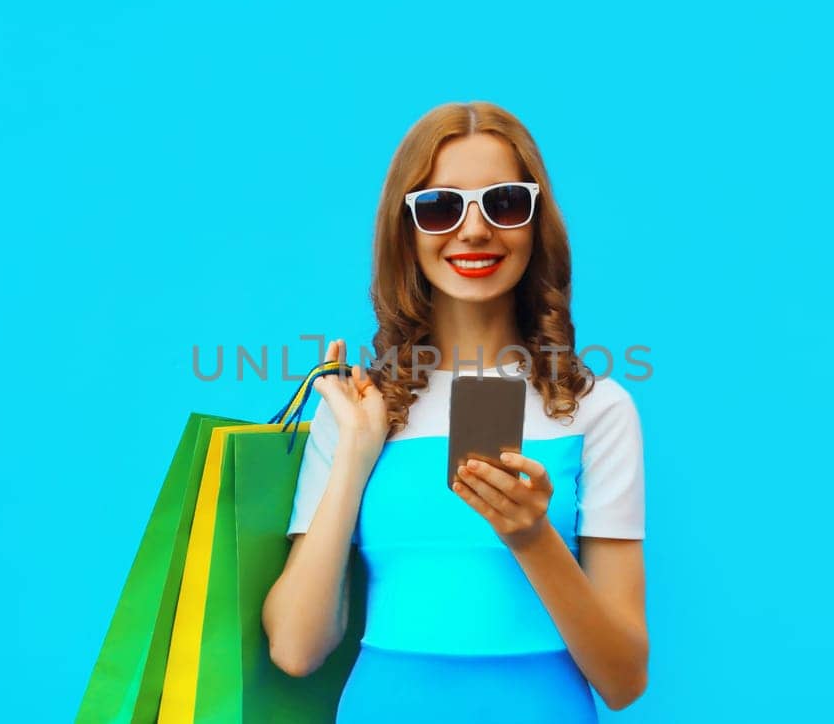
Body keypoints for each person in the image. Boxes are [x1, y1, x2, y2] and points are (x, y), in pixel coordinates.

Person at [261, 101, 648, 722]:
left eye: (504, 203)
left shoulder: (598, 411)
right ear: (405, 229)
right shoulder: (359, 410)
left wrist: (531, 537)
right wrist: (357, 453)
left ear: (535, 223)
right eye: (440, 207)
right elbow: (297, 648)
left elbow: (625, 679)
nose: (472, 231)